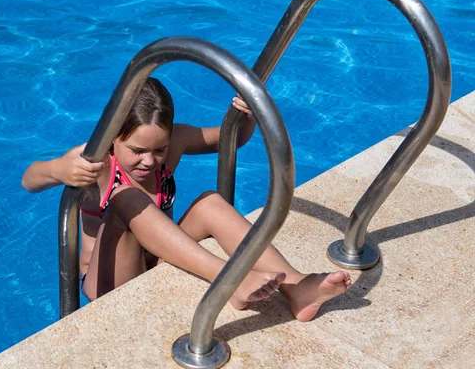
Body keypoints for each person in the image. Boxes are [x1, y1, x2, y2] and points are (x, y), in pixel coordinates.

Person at [22, 77, 352, 321]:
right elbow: (29, 180)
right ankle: (230, 280)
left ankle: (297, 287)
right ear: (112, 136)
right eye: (137, 151)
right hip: (109, 279)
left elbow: (229, 141)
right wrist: (57, 169)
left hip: (158, 259)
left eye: (159, 149)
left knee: (209, 201)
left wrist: (247, 115)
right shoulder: (94, 159)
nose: (150, 161)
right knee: (126, 200)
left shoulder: (174, 141)